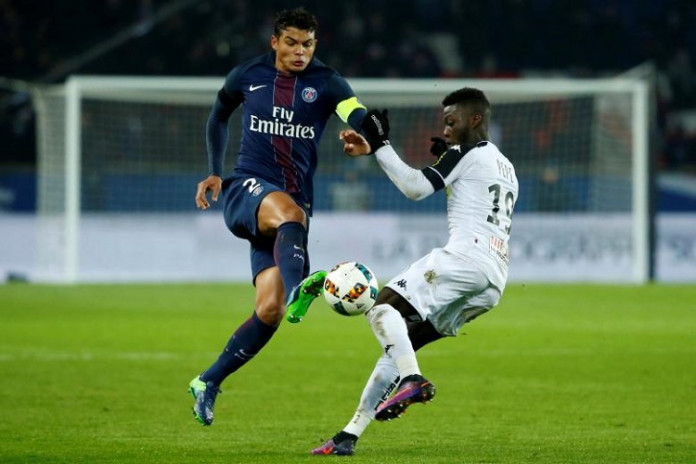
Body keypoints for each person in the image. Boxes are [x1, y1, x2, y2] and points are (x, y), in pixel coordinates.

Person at [311, 88, 519, 455]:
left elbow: (414, 188)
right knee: (400, 344)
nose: (446, 128)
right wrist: (392, 153)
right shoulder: (505, 166)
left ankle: (413, 379)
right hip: (494, 279)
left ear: (475, 120)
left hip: (464, 258)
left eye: (451, 121)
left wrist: (381, 142)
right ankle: (349, 435)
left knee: (381, 308)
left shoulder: (465, 153)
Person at [189, 7, 367, 426]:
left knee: (268, 311)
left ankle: (207, 381)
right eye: (291, 42)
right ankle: (299, 288)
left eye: (307, 44)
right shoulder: (247, 75)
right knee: (289, 217)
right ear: (275, 42)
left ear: (315, 45)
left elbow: (357, 113)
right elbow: (219, 114)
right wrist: (215, 169)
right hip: (246, 190)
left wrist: (367, 137)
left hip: (294, 207)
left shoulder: (327, 82)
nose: (299, 52)